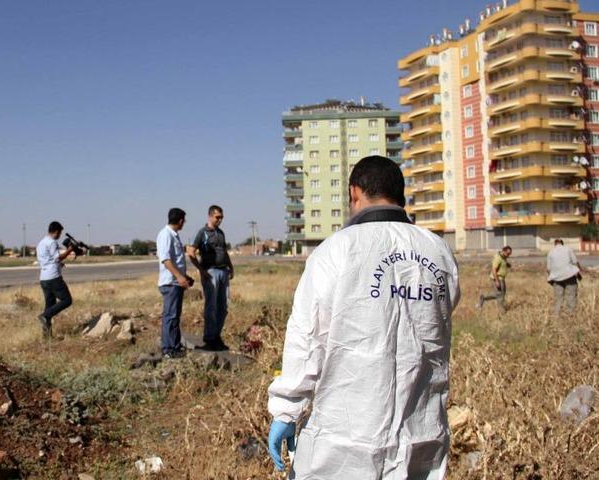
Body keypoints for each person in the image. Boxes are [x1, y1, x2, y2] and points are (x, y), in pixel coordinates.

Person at [266, 156, 460, 478]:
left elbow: (307, 336)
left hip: (344, 441)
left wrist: (287, 410)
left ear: (354, 193)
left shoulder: (336, 250)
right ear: (402, 196)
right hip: (421, 435)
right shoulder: (438, 252)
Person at [187, 205, 234, 351]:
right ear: (210, 216)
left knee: (223, 306)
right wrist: (201, 270)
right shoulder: (203, 233)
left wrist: (230, 267)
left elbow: (224, 252)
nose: (220, 220)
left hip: (223, 272)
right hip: (210, 272)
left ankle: (216, 336)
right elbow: (191, 252)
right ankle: (209, 338)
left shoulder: (221, 233)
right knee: (211, 306)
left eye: (221, 217)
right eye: (217, 217)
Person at [156, 208, 195, 359]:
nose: (184, 223)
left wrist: (185, 277)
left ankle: (175, 346)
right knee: (170, 316)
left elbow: (176, 261)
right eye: (184, 220)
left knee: (175, 316)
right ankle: (168, 349)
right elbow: (165, 260)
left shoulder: (174, 235)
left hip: (176, 282)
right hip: (171, 283)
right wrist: (179, 277)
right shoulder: (165, 235)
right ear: (180, 220)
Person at [36, 221, 76, 338]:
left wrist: (60, 264)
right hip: (53, 277)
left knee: (50, 305)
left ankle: (47, 337)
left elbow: (49, 260)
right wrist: (69, 250)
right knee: (67, 300)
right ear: (56, 231)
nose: (60, 236)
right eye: (60, 233)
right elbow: (57, 257)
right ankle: (44, 316)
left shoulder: (41, 243)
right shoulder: (52, 242)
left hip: (43, 278)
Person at [547, 238, 582, 314]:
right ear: (562, 243)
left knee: (558, 298)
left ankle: (557, 316)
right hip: (569, 276)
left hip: (556, 278)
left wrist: (552, 280)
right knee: (571, 296)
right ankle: (571, 315)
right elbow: (575, 262)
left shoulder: (550, 252)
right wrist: (579, 273)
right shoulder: (568, 249)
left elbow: (548, 269)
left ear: (554, 244)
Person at [477, 245, 511, 312]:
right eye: (507, 253)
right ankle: (502, 311)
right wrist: (497, 281)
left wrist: (507, 264)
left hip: (501, 278)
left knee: (502, 293)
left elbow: (502, 263)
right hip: (497, 278)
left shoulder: (503, 256)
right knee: (499, 294)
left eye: (509, 254)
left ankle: (483, 297)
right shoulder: (498, 258)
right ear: (503, 251)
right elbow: (494, 270)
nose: (508, 255)